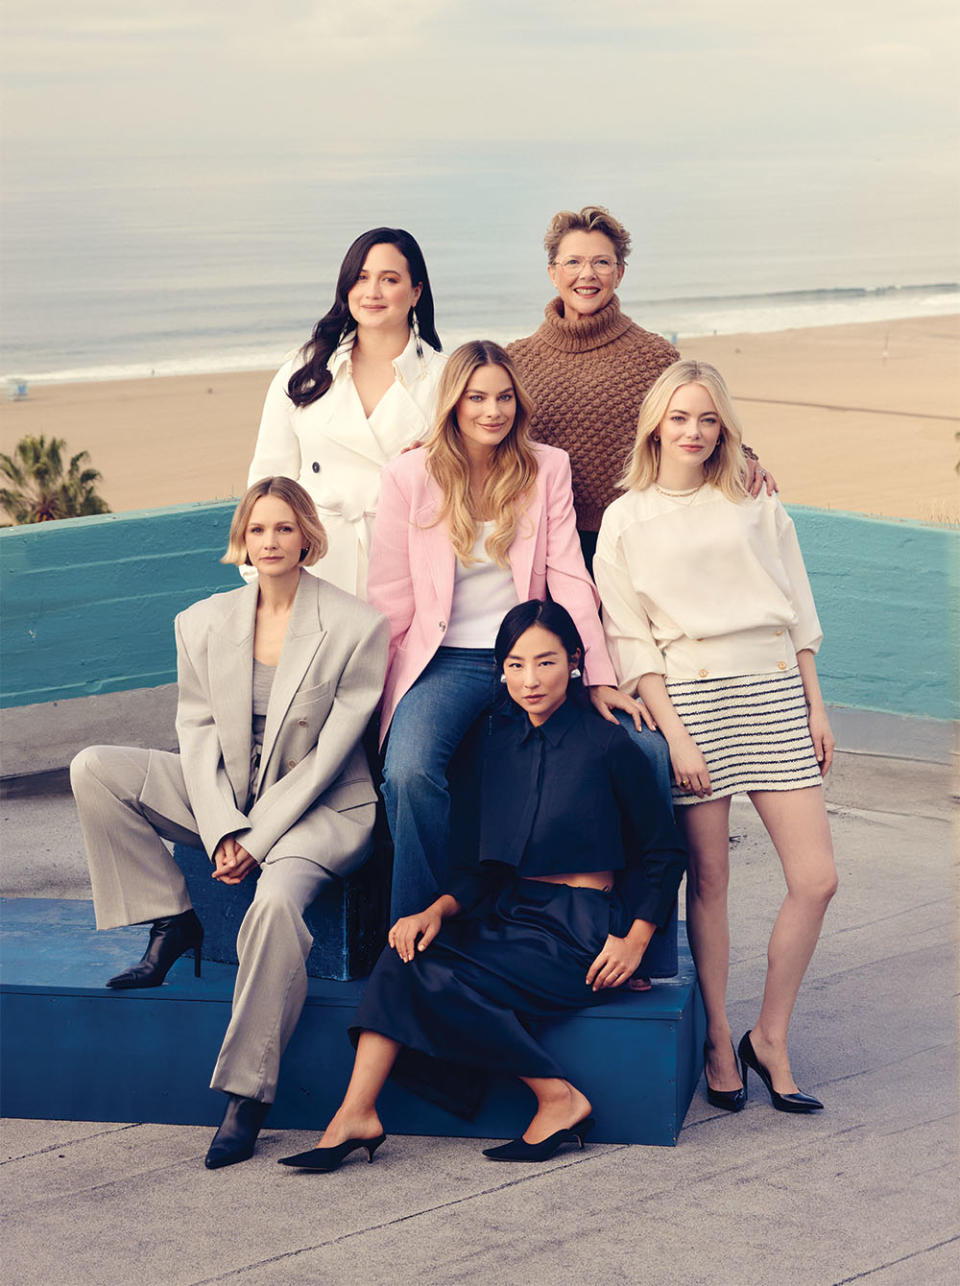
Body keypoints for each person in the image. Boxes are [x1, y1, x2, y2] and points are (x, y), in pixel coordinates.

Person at [276, 600, 687, 1172]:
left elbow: (665, 850)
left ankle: (557, 1096)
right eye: (514, 665)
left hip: (579, 930)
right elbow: (487, 867)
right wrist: (437, 910)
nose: (529, 680)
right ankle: (356, 1115)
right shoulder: (495, 748)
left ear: (574, 661)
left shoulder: (609, 744)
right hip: (512, 912)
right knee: (404, 953)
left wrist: (636, 939)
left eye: (544, 663)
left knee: (441, 978)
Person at [70, 477, 389, 1168]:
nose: (269, 541)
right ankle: (172, 915)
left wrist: (257, 839)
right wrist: (220, 828)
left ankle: (248, 1094)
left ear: (308, 534)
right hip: (229, 798)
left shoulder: (357, 626)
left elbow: (329, 758)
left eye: (282, 528)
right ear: (241, 540)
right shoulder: (202, 621)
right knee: (95, 767)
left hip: (323, 807)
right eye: (256, 529)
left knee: (274, 902)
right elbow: (198, 730)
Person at [594, 359, 838, 1115]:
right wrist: (676, 737)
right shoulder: (626, 517)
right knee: (709, 880)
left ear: (724, 426)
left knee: (817, 878)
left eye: (707, 418)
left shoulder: (754, 498)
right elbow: (632, 639)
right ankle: (718, 1034)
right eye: (680, 418)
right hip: (690, 702)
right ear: (655, 425)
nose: (694, 432)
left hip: (772, 687)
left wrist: (815, 706)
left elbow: (797, 606)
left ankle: (770, 1034)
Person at [365, 340, 646, 921]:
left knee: (635, 752)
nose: (492, 411)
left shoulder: (546, 467)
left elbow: (570, 577)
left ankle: (616, 936)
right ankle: (416, 931)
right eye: (477, 398)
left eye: (504, 397)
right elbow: (389, 599)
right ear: (453, 403)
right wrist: (378, 699)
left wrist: (593, 674)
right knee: (409, 772)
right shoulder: (408, 476)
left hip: (531, 658)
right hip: (442, 661)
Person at [506, 205, 776, 795]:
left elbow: (698, 415)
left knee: (627, 688)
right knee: (555, 683)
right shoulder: (518, 359)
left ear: (620, 271)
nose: (588, 273)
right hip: (551, 551)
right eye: (574, 261)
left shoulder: (653, 356)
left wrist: (748, 457)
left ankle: (634, 817)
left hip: (632, 545)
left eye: (602, 261)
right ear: (552, 271)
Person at [245, 228, 445, 598]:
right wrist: (261, 579)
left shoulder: (446, 378)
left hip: (410, 567)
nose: (372, 292)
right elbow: (268, 479)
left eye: (389, 279)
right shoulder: (303, 372)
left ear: (416, 291)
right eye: (361, 278)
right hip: (315, 566)